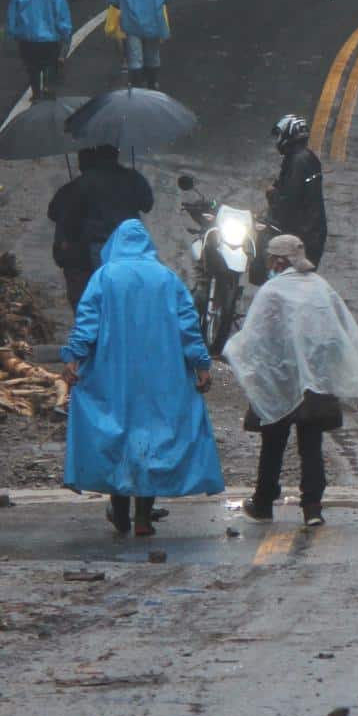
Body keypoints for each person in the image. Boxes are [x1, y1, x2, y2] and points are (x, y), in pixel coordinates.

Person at [61, 218, 223, 537]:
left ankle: (120, 514)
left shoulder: (104, 277)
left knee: (117, 435)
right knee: (152, 436)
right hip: (161, 376)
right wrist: (201, 364)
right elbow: (188, 327)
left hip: (111, 374)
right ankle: (144, 519)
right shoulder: (167, 279)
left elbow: (87, 322)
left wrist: (73, 358)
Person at [225, 234, 358, 527]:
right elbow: (338, 332)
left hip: (279, 379)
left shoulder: (272, 291)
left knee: (273, 442)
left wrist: (241, 356)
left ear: (278, 261)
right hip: (315, 383)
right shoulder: (322, 289)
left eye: (270, 258)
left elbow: (256, 336)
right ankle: (313, 508)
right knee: (311, 444)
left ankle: (264, 502)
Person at [47, 145, 154, 309]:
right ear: (116, 154)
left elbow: (57, 213)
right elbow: (147, 205)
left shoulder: (83, 182)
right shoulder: (132, 178)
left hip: (98, 246)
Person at [5, 0, 72, 102]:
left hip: (27, 37)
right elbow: (60, 10)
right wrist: (65, 31)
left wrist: (12, 32)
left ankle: (36, 94)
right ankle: (48, 89)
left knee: (32, 67)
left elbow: (12, 12)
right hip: (50, 36)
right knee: (49, 63)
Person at [107, 0, 175, 89]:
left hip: (132, 24)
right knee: (153, 55)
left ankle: (136, 85)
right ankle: (153, 83)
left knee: (135, 56)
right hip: (154, 23)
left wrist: (122, 6)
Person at [265, 114, 327, 267]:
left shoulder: (296, 163)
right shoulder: (308, 158)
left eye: (279, 135)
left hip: (300, 236)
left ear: (288, 134)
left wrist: (272, 194)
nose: (277, 140)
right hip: (314, 233)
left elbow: (289, 200)